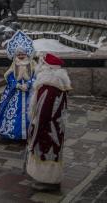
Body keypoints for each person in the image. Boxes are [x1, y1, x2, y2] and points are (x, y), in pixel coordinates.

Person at [26, 52, 72, 191]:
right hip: (56, 126)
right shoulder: (59, 83)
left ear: (47, 68)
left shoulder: (47, 86)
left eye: (42, 64)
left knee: (45, 151)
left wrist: (35, 130)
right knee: (53, 151)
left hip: (46, 127)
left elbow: (42, 112)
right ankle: (50, 179)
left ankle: (47, 181)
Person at [0, 31, 36, 140]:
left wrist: (29, 84)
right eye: (19, 54)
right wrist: (17, 85)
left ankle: (30, 133)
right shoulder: (14, 64)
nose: (21, 56)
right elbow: (10, 77)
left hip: (30, 92)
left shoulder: (32, 64)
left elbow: (36, 76)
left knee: (32, 110)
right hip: (16, 92)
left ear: (27, 54)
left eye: (23, 54)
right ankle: (15, 133)